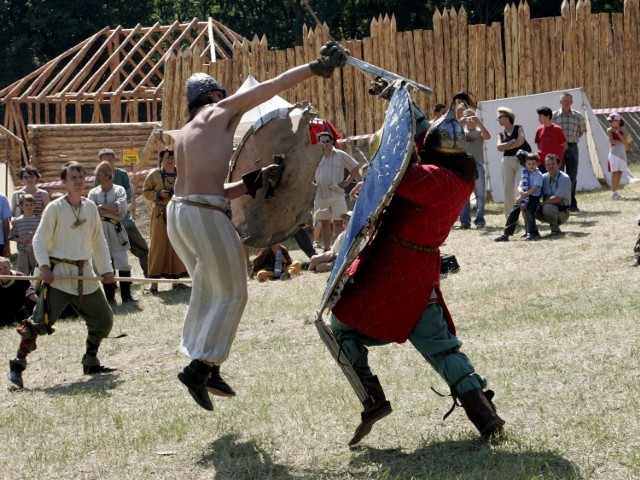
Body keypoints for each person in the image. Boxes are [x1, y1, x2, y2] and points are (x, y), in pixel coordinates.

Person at [166, 41, 349, 410]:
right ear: (213, 95)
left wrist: (254, 180)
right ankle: (199, 367)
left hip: (181, 214)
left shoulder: (186, 132)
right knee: (234, 293)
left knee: (209, 289)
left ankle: (210, 363)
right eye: (222, 93)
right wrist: (316, 67)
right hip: (203, 214)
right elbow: (271, 86)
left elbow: (214, 187)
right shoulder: (218, 111)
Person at [329, 92, 504, 446]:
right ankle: (484, 414)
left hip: (390, 271)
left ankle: (372, 398)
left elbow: (391, 172)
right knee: (443, 349)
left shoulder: (428, 176)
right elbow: (415, 152)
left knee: (340, 325)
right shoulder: (460, 177)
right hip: (419, 271)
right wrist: (406, 107)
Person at [7, 161, 116, 390]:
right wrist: (44, 266)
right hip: (58, 276)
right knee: (38, 323)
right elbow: (39, 239)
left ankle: (90, 360)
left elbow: (99, 241)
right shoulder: (55, 208)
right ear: (64, 182)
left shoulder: (91, 208)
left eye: (81, 177)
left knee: (104, 318)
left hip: (84, 274)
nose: (78, 181)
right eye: (73, 178)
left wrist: (106, 270)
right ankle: (17, 365)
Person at [95, 148, 149, 278]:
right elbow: (96, 203)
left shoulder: (122, 174)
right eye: (105, 160)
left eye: (110, 159)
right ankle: (111, 284)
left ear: (114, 160)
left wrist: (109, 205)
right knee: (109, 254)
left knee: (142, 248)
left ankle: (150, 278)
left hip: (125, 220)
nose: (108, 162)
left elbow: (128, 196)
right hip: (107, 223)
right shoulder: (98, 178)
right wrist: (114, 206)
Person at [88, 161, 135, 304]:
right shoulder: (93, 192)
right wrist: (109, 208)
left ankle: (126, 297)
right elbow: (91, 210)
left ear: (108, 176)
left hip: (115, 229)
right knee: (102, 262)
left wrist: (102, 207)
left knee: (122, 261)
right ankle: (110, 298)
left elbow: (121, 207)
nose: (97, 177)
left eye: (99, 175)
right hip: (99, 230)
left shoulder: (119, 190)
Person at [143, 147, 188, 293]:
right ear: (162, 159)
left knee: (177, 245)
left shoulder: (181, 174)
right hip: (160, 214)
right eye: (167, 157)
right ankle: (154, 285)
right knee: (158, 246)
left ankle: (177, 281)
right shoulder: (154, 174)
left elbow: (188, 189)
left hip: (177, 212)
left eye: (172, 157)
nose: (170, 160)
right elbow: (145, 191)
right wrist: (158, 194)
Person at [314, 131, 360, 250]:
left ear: (332, 141)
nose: (325, 144)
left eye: (327, 141)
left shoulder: (340, 155)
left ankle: (338, 249)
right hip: (320, 193)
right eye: (322, 141)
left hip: (336, 193)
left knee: (338, 222)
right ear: (319, 143)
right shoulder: (315, 156)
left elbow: (355, 166)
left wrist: (347, 182)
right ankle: (327, 248)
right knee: (324, 222)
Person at [494, 152, 544, 242]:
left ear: (537, 164)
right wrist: (520, 192)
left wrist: (521, 198)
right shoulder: (525, 173)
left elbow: (533, 189)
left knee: (529, 211)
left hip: (534, 197)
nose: (531, 166)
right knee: (513, 211)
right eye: (529, 164)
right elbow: (520, 185)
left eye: (533, 164)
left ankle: (532, 233)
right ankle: (506, 234)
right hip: (524, 196)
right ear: (526, 164)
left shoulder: (539, 175)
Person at [552, 92, 587, 212]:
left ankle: (572, 202)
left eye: (569, 101)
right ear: (560, 102)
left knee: (572, 176)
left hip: (572, 147)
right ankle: (559, 202)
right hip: (558, 148)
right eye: (564, 100)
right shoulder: (554, 116)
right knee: (558, 175)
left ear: (572, 102)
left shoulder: (578, 116)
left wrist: (571, 140)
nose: (566, 102)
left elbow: (582, 132)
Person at [459, 108, 491, 229]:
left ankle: (480, 219)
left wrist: (479, 122)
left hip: (477, 164)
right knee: (463, 195)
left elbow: (488, 137)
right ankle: (465, 221)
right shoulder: (460, 131)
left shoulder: (479, 131)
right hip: (464, 165)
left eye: (470, 116)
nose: (468, 119)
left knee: (480, 194)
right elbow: (452, 138)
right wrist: (460, 123)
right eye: (466, 116)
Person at [496, 107, 528, 218]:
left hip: (521, 160)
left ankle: (526, 215)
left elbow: (521, 141)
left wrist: (507, 146)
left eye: (500, 117)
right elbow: (499, 147)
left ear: (507, 117)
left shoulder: (519, 128)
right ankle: (510, 217)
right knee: (507, 189)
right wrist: (511, 142)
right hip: (507, 161)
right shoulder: (501, 134)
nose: (498, 119)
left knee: (523, 187)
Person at [536, 154, 571, 235]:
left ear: (559, 165)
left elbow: (557, 199)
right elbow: (535, 192)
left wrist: (541, 204)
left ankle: (555, 230)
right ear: (545, 166)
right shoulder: (543, 177)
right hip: (545, 209)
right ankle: (531, 231)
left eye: (553, 164)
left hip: (561, 212)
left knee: (547, 207)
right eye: (548, 164)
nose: (550, 166)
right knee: (527, 206)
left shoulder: (564, 178)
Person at [0, 256, 38, 327]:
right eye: (0, 269)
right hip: (5, 307)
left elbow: (29, 291)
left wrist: (40, 302)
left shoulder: (19, 276)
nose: (3, 271)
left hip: (20, 307)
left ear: (10, 266)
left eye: (5, 267)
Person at [8, 194, 40, 275]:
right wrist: (21, 240)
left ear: (34, 206)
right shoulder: (17, 221)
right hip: (22, 252)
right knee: (22, 275)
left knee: (36, 275)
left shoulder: (39, 220)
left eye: (31, 205)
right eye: (26, 205)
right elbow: (11, 236)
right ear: (21, 206)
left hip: (36, 252)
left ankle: (35, 288)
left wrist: (35, 239)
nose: (29, 207)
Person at [534, 106, 567, 174]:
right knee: (543, 182)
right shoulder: (539, 130)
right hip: (542, 162)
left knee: (556, 181)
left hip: (554, 162)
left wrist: (557, 154)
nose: (538, 119)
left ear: (548, 116)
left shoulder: (558, 129)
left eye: (540, 116)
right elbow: (538, 144)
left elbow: (565, 145)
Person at [606, 113, 628, 200]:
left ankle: (616, 192)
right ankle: (613, 193)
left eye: (612, 121)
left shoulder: (623, 129)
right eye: (610, 121)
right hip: (614, 153)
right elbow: (612, 141)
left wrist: (618, 132)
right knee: (614, 172)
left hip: (622, 153)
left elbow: (625, 140)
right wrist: (622, 141)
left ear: (618, 121)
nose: (610, 123)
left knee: (620, 172)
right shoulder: (609, 130)